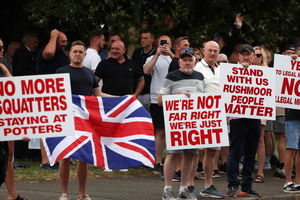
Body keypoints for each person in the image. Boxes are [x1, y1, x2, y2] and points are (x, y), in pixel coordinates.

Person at [55, 40, 107, 200]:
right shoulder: (60, 72)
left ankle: (82, 194)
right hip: (66, 119)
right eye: (75, 51)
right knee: (65, 156)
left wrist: (123, 98)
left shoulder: (89, 73)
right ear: (70, 53)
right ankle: (64, 193)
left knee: (83, 158)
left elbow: (98, 96)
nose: (77, 54)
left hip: (85, 121)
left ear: (84, 55)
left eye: (80, 52)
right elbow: (53, 96)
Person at [158, 48, 205, 200]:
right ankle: (167, 189)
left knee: (191, 155)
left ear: (195, 62)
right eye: (184, 60)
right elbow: (160, 100)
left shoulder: (200, 76)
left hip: (194, 123)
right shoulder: (171, 77)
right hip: (176, 123)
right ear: (179, 62)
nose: (187, 62)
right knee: (173, 154)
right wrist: (178, 96)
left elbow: (204, 100)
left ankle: (184, 189)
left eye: (190, 60)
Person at [226, 44, 261, 198]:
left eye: (249, 54)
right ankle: (232, 185)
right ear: (238, 57)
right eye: (243, 54)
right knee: (235, 153)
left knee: (250, 154)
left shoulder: (260, 73)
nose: (246, 57)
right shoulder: (231, 71)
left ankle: (247, 186)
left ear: (253, 56)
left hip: (254, 117)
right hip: (237, 118)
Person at [194, 41, 224, 198]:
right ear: (203, 51)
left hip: (217, 115)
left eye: (215, 51)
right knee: (194, 151)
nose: (212, 53)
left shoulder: (222, 69)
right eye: (210, 50)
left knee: (213, 151)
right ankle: (189, 186)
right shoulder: (197, 68)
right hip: (201, 114)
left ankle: (207, 185)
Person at [36, 29, 70, 170]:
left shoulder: (62, 54)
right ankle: (46, 162)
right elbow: (48, 53)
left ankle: (56, 159)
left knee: (59, 128)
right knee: (46, 129)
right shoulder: (47, 51)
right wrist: (54, 35)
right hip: (46, 92)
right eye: (62, 41)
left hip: (60, 94)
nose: (65, 43)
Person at [0, 38, 27, 200]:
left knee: (10, 156)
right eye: (0, 48)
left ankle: (12, 194)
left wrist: (4, 69)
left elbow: (13, 91)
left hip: (5, 120)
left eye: (3, 47)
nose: (2, 50)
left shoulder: (3, 67)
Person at [144, 35, 174, 175]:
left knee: (173, 132)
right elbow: (146, 71)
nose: (164, 46)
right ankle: (157, 162)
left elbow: (183, 66)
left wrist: (171, 54)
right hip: (158, 99)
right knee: (160, 132)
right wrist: (156, 54)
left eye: (167, 43)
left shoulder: (175, 58)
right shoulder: (152, 58)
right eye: (162, 43)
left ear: (171, 44)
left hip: (174, 99)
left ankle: (172, 161)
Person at [252, 46, 269, 184]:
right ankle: (247, 168)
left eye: (258, 55)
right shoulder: (242, 69)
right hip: (245, 108)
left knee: (260, 139)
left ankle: (260, 172)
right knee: (245, 139)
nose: (256, 57)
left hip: (260, 107)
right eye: (253, 54)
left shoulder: (267, 71)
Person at [131, 30, 156, 111]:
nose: (143, 40)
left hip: (149, 92)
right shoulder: (137, 52)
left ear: (152, 39)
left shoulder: (156, 53)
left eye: (146, 38)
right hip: (136, 91)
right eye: (141, 38)